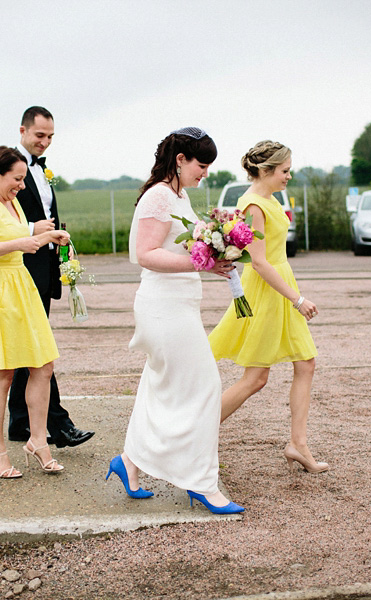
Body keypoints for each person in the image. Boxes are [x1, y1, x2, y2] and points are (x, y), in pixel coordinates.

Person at [105, 127, 245, 514]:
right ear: (180, 160)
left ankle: (128, 464)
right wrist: (203, 262)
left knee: (158, 388)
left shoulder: (178, 195)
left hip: (179, 306)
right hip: (163, 308)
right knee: (205, 387)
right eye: (201, 166)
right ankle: (202, 483)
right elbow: (145, 254)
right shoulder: (158, 196)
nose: (205, 174)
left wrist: (212, 255)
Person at [207, 140, 326, 473]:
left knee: (306, 363)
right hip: (267, 291)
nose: (289, 176)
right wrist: (297, 298)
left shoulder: (269, 200)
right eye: (285, 171)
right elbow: (258, 262)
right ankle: (195, 432)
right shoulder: (253, 205)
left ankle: (298, 444)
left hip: (280, 284)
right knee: (256, 378)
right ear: (266, 170)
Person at [0, 146, 71, 478]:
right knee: (2, 374)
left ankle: (37, 441)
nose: (22, 186)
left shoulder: (12, 202)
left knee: (43, 365)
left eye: (24, 179)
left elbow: (20, 235)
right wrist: (17, 245)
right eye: (17, 179)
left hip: (19, 286)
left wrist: (47, 234)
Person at [0, 106, 94, 449]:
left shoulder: (43, 171)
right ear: (22, 130)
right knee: (39, 351)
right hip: (18, 270)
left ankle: (21, 423)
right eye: (39, 135)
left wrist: (60, 250)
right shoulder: (5, 168)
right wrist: (32, 229)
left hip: (44, 267)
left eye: (50, 137)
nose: (45, 142)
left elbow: (49, 216)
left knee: (29, 350)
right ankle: (59, 424)